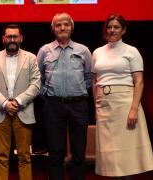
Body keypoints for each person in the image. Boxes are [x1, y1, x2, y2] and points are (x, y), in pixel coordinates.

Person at [92, 13, 153, 178]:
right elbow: (94, 81)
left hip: (125, 103)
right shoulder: (97, 52)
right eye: (109, 26)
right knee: (110, 156)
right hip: (104, 104)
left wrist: (134, 109)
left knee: (125, 157)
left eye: (116, 27)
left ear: (123, 30)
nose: (112, 30)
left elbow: (139, 82)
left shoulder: (131, 51)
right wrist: (96, 106)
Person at [36, 12, 92, 180]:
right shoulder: (44, 51)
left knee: (79, 152)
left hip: (78, 105)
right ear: (53, 29)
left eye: (66, 24)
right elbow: (37, 79)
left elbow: (89, 77)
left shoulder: (83, 50)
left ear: (71, 27)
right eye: (58, 25)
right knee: (55, 152)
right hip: (53, 106)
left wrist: (78, 92)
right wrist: (47, 94)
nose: (62, 27)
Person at [0, 24, 41, 180]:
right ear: (3, 39)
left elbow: (36, 83)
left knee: (24, 156)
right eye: (9, 36)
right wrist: (5, 103)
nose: (12, 39)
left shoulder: (31, 57)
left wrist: (17, 101)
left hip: (22, 111)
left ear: (21, 38)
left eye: (15, 36)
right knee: (1, 156)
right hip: (0, 111)